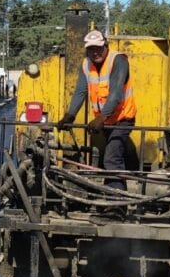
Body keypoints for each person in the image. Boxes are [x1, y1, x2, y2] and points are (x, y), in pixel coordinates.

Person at [57, 29, 136, 189]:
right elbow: (80, 91)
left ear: (106, 46)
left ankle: (118, 206)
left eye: (98, 48)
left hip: (122, 119)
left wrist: (101, 118)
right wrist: (70, 115)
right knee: (111, 158)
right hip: (107, 122)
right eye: (91, 49)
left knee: (111, 159)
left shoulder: (118, 61)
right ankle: (109, 194)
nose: (95, 52)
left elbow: (115, 94)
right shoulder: (86, 64)